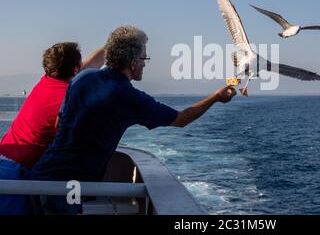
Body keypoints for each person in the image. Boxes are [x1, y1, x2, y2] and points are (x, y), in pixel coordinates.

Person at [29, 26, 236, 214]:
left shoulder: (84, 78)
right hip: (68, 188)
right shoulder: (129, 97)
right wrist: (216, 97)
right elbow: (182, 119)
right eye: (145, 59)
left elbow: (59, 124)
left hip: (39, 178)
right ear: (133, 62)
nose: (145, 64)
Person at [0, 42, 105, 215]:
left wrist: (112, 46)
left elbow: (87, 65)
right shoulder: (69, 99)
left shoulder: (47, 80)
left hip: (4, 161)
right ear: (75, 70)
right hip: (16, 177)